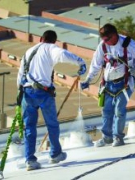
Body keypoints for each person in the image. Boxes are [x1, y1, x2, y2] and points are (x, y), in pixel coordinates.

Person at [17, 30, 86, 171]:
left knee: (29, 127)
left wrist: (20, 94)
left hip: (27, 92)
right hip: (44, 93)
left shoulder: (28, 51)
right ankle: (55, 154)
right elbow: (63, 55)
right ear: (54, 41)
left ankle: (30, 160)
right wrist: (81, 62)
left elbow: (20, 75)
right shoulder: (51, 48)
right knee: (52, 124)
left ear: (41, 38)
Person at [80, 23, 135, 147]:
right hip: (108, 84)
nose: (105, 42)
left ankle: (118, 137)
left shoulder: (127, 44)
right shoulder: (103, 46)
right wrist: (88, 79)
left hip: (124, 83)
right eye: (103, 39)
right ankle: (107, 137)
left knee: (119, 111)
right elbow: (95, 64)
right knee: (106, 111)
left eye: (107, 39)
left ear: (114, 35)